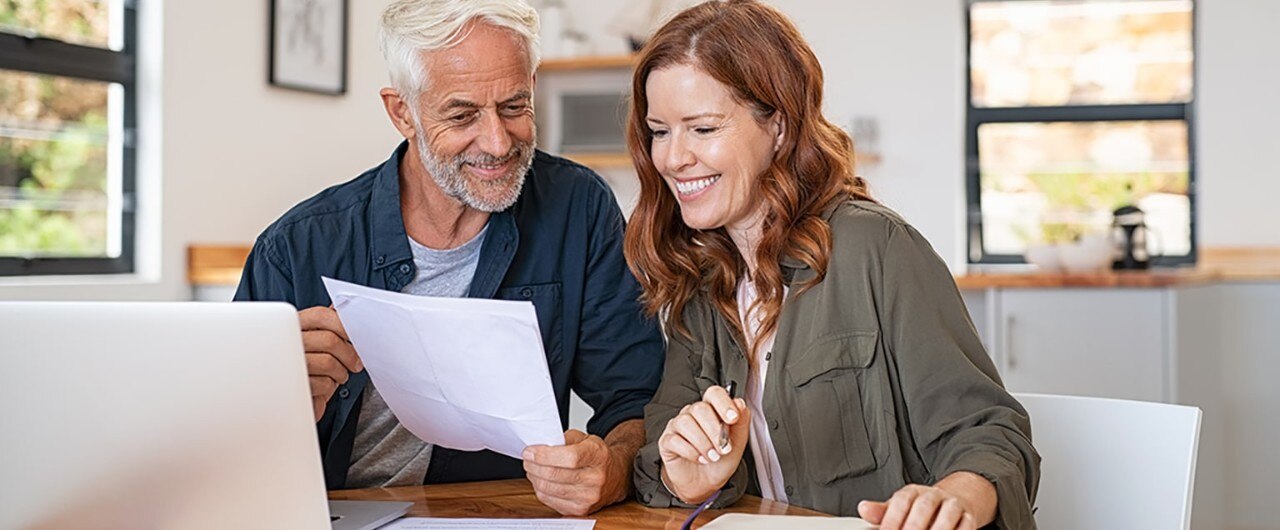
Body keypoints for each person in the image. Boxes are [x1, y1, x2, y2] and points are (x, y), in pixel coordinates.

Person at [234, 0, 664, 516]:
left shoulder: (578, 208)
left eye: (514, 106)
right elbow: (220, 444)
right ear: (402, 112)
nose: (498, 142)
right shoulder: (296, 246)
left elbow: (636, 397)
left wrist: (611, 468)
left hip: (489, 515)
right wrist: (278, 401)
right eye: (462, 115)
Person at [623, 1, 1039, 528]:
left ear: (777, 124)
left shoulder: (878, 247)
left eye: (702, 129)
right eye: (660, 131)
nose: (673, 158)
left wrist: (956, 495)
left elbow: (989, 434)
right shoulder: (702, 275)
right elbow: (658, 451)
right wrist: (688, 476)